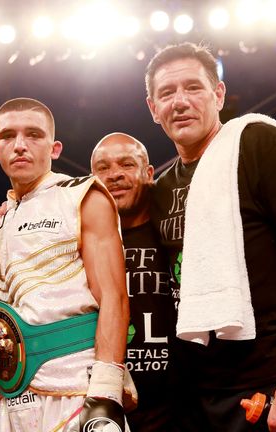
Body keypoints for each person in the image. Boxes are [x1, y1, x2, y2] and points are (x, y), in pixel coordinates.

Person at [144, 42, 276, 432]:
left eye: (193, 88)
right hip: (190, 393)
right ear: (152, 108)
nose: (180, 102)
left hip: (269, 384)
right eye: (167, 93)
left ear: (218, 95)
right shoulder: (160, 189)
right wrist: (13, 208)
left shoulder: (257, 143)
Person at [0, 97, 133, 432]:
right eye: (7, 136)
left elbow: (114, 298)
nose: (19, 145)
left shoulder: (81, 196)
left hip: (77, 390)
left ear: (55, 147)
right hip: (12, 397)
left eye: (33, 134)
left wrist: (105, 392)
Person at [90, 132, 181, 432]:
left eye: (126, 164)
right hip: (105, 401)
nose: (114, 175)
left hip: (180, 405)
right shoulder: (78, 239)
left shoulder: (177, 230)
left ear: (148, 173)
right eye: (103, 168)